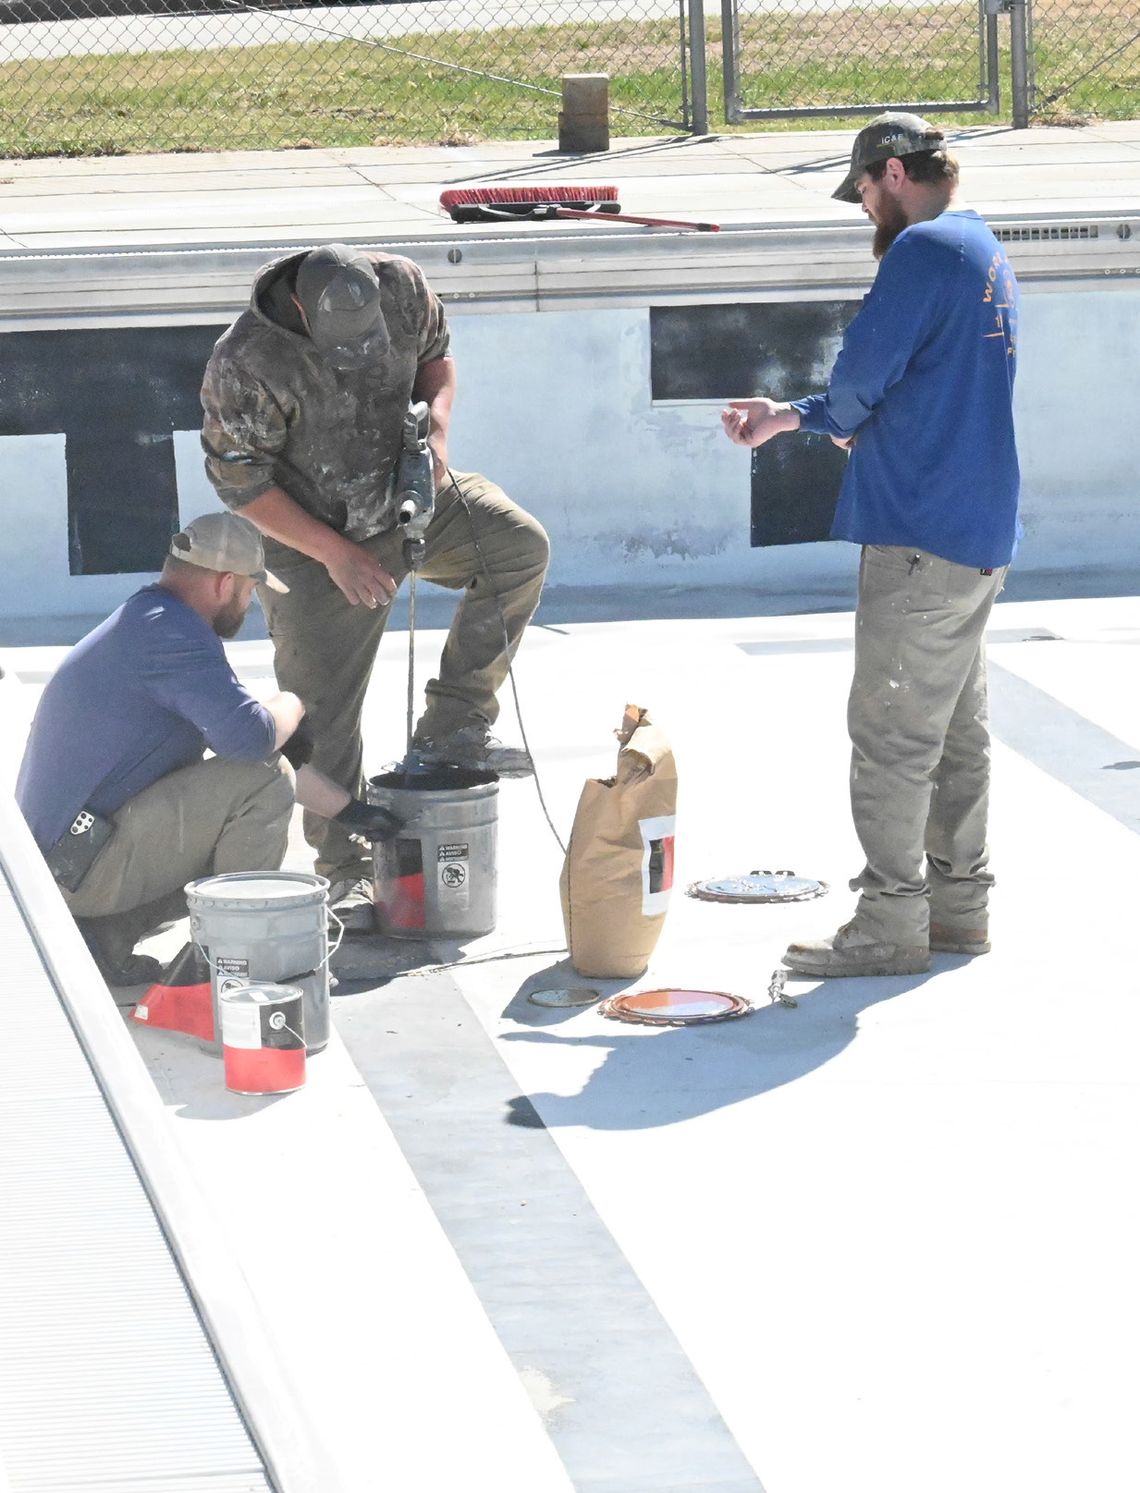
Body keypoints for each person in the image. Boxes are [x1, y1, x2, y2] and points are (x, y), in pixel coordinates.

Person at [722, 113, 1020, 977]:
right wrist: (795, 419)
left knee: (891, 735)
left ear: (892, 173)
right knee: (957, 734)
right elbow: (913, 389)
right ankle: (960, 909)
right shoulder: (980, 248)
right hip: (975, 532)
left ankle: (891, 921)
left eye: (860, 189)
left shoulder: (921, 250)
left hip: (918, 536)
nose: (861, 208)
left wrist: (820, 414)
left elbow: (859, 380)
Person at [200, 243, 550, 929]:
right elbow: (242, 486)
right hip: (307, 540)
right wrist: (335, 554)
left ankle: (452, 729)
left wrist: (438, 438)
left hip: (407, 494)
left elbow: (437, 360)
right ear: (301, 306)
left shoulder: (401, 285)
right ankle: (347, 870)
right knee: (321, 713)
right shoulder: (244, 363)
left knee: (517, 548)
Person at [15, 512, 394, 987]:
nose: (251, 601)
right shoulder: (172, 636)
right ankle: (231, 962)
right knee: (263, 785)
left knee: (247, 791)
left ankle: (101, 940)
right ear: (224, 582)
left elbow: (241, 752)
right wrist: (292, 703)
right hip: (78, 867)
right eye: (251, 589)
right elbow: (255, 744)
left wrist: (353, 813)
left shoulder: (150, 623)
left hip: (62, 865)